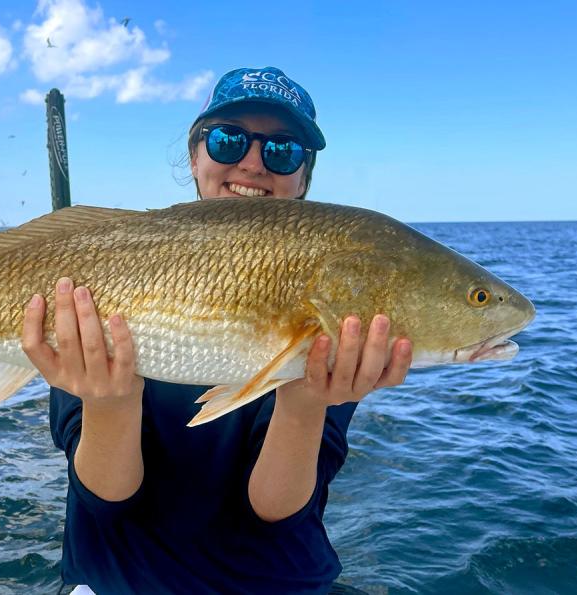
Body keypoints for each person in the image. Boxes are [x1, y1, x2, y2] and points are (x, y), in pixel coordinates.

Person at [21, 67, 413, 594]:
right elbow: (108, 497)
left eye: (283, 149)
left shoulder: (332, 299)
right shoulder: (97, 274)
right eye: (228, 140)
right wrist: (108, 403)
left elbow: (275, 509)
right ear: (195, 155)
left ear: (304, 179)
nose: (253, 162)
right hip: (116, 579)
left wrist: (303, 403)